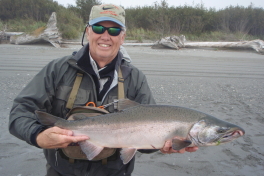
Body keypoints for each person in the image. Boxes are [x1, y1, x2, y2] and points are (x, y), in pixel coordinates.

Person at [9, 4, 198, 176]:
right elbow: (19, 113)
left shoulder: (136, 79)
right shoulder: (57, 70)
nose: (105, 36)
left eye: (114, 30)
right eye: (99, 28)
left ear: (122, 37)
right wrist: (38, 136)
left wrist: (162, 145)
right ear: (88, 31)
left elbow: (145, 141)